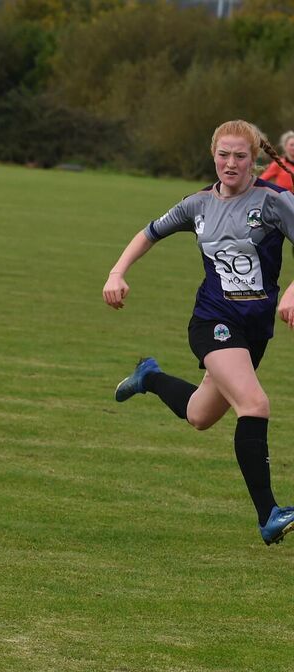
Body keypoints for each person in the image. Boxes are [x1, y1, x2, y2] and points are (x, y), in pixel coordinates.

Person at [105, 119, 294, 546]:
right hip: (212, 321)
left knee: (199, 415)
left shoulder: (273, 202)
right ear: (213, 155)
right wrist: (117, 272)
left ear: (254, 160)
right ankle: (269, 514)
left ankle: (149, 376)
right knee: (254, 403)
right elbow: (149, 232)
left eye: (240, 156)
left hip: (255, 329)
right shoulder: (197, 205)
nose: (231, 163)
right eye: (224, 155)